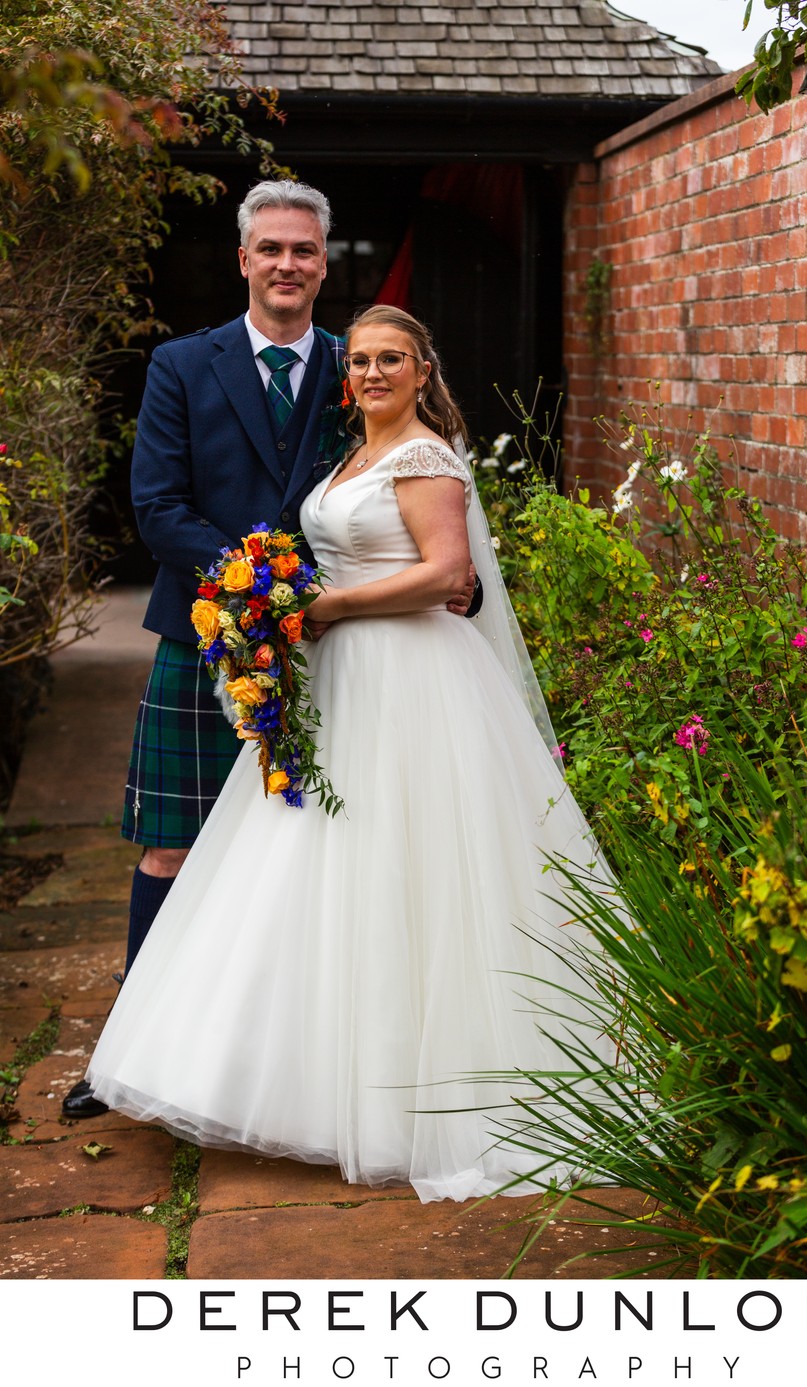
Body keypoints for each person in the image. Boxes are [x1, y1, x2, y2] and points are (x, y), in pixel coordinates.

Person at [84, 306, 618, 1202]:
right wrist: (279, 598)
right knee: (320, 863)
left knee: (419, 865)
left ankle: (422, 1088)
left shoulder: (422, 456)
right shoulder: (351, 455)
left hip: (411, 681)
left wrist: (322, 608)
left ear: (422, 368)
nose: (372, 372)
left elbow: (450, 573)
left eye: (391, 359)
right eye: (362, 359)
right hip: (335, 680)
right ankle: (308, 1078)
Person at [63, 180, 477, 1121]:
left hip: (331, 649)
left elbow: (414, 482)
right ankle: (128, 1050)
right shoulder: (180, 363)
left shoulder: (361, 363)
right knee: (172, 845)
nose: (287, 264)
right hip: (210, 631)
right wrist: (257, 589)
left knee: (304, 849)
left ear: (321, 263)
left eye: (303, 250)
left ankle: (278, 1053)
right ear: (243, 259)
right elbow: (158, 506)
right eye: (270, 249)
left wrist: (457, 575)